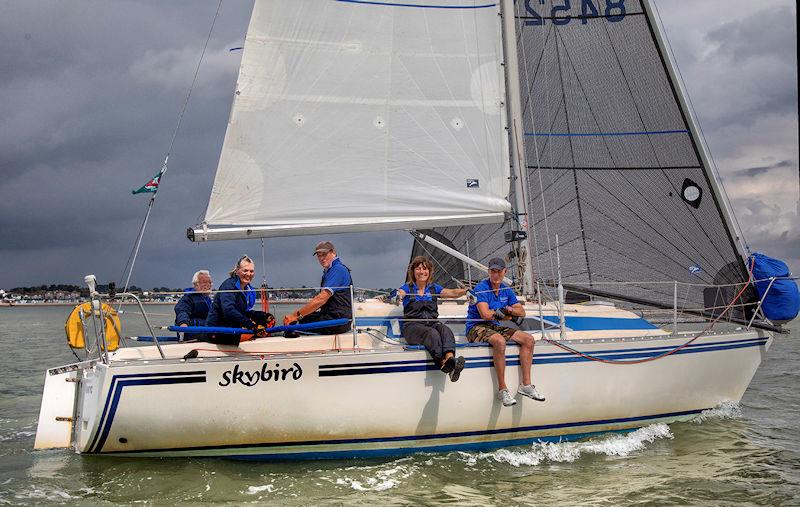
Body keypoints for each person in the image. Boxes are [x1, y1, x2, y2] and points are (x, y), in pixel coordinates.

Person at [466, 257, 545, 407]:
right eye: (492, 271)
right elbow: (485, 314)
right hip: (476, 327)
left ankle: (526, 385)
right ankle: (502, 390)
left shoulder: (505, 290)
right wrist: (504, 314)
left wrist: (507, 310)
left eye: (499, 272)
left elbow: (521, 312)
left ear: (504, 272)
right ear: (489, 272)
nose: (495, 275)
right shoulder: (482, 288)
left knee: (528, 339)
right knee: (499, 341)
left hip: (494, 326)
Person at [396, 256, 467, 382]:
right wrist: (397, 296)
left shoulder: (434, 288)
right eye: (418, 269)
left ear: (429, 272)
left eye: (425, 269)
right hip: (412, 327)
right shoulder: (408, 288)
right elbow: (400, 292)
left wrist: (466, 291)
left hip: (432, 323)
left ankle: (451, 361)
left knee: (446, 330)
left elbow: (452, 292)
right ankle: (443, 363)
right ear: (413, 272)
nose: (422, 272)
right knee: (432, 334)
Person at [283, 241, 352, 335]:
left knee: (302, 323)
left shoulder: (337, 270)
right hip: (336, 318)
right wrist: (300, 315)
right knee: (305, 318)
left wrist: (295, 315)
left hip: (338, 321)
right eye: (319, 255)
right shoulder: (331, 270)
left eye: (324, 254)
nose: (321, 258)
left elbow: (321, 299)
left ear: (333, 253)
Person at [206, 255, 260, 345]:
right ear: (237, 271)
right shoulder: (229, 286)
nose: (248, 274)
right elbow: (228, 310)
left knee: (267, 320)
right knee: (254, 331)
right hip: (218, 329)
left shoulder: (249, 289)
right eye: (245, 270)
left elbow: (244, 311)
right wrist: (248, 324)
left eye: (251, 271)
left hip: (234, 325)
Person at [174, 270, 213, 341]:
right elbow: (182, 310)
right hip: (193, 333)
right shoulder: (188, 298)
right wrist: (183, 323)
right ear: (195, 284)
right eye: (204, 282)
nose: (208, 285)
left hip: (206, 330)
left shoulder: (208, 300)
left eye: (210, 282)